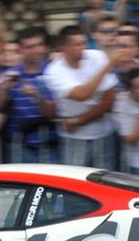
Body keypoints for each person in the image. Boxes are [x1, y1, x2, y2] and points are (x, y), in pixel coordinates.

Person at [46, 25, 118, 168]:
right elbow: (82, 95)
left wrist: (78, 120)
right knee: (74, 182)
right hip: (75, 138)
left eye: (84, 43)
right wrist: (108, 66)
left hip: (104, 133)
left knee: (106, 182)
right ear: (63, 47)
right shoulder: (54, 71)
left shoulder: (97, 56)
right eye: (76, 44)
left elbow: (110, 99)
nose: (82, 48)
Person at [0, 27, 59, 163]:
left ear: (45, 47)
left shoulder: (54, 71)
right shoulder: (11, 74)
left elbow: (53, 113)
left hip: (51, 145)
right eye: (30, 47)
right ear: (20, 50)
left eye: (39, 45)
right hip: (20, 146)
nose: (36, 50)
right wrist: (3, 89)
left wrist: (37, 96)